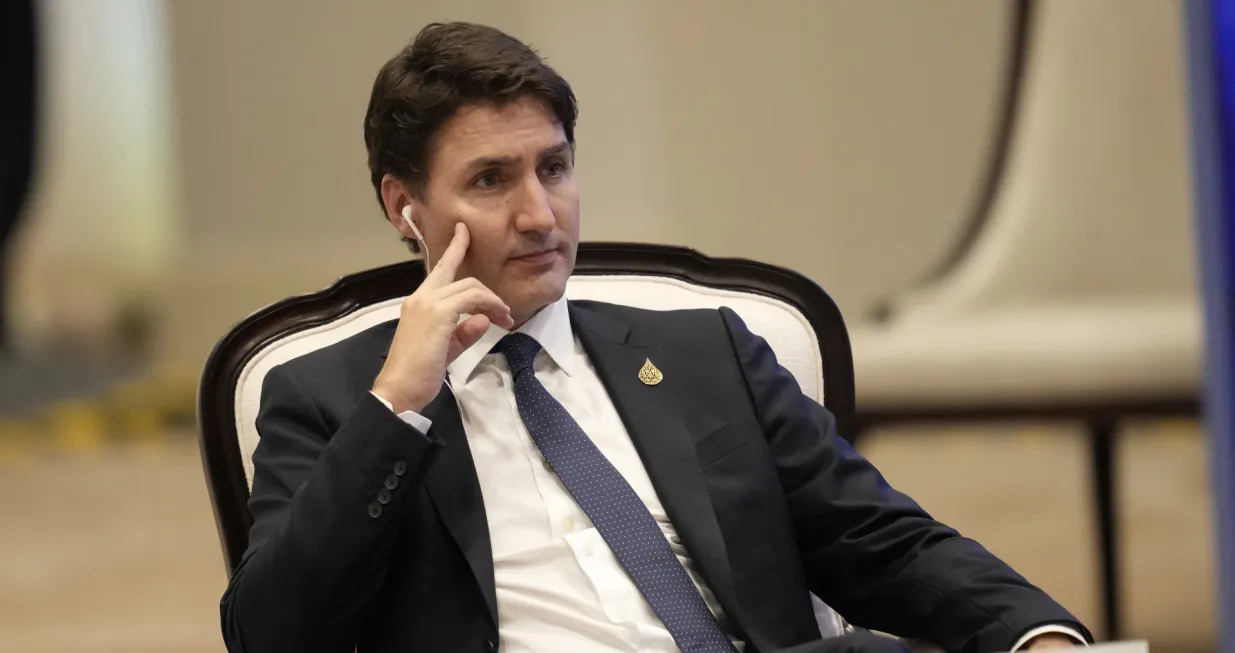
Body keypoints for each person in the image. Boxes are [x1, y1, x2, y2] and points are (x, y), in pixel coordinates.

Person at [220, 22, 1092, 653]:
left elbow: (882, 542)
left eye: (553, 167)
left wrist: (1035, 633)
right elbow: (275, 632)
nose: (539, 214)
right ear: (402, 207)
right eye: (490, 180)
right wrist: (397, 406)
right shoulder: (334, 401)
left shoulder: (705, 353)